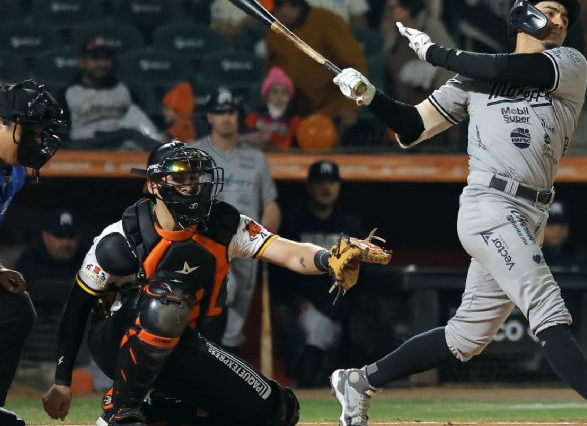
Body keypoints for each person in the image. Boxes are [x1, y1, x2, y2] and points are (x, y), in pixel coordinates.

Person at [330, 0, 587, 426]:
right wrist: (370, 96)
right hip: (489, 204)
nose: (561, 20)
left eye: (566, 16)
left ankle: (360, 381)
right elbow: (412, 128)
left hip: (532, 212)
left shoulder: (569, 63)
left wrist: (435, 54)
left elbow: (507, 67)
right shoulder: (473, 77)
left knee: (467, 337)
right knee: (547, 304)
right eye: (551, 10)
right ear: (524, 14)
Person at [41, 140, 379, 426]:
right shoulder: (119, 239)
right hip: (117, 340)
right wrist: (62, 382)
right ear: (153, 186)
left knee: (279, 410)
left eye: (195, 176)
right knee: (168, 299)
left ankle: (157, 411)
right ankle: (118, 411)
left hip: (182, 342)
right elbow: (76, 309)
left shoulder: (224, 224)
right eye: (178, 177)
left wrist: (328, 258)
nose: (190, 185)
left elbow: (288, 252)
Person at [0, 80, 69, 426]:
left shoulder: (13, 174)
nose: (39, 141)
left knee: (15, 309)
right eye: (31, 131)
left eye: (42, 133)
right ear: (2, 122)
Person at [192, 87, 282, 350]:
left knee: (236, 319)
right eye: (219, 112)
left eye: (230, 111)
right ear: (209, 117)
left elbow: (271, 203)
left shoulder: (255, 159)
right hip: (207, 242)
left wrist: (268, 234)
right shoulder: (194, 154)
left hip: (246, 243)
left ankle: (224, 373)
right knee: (220, 297)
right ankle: (205, 359)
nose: (226, 118)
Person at [269, 160, 365, 387]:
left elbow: (359, 278)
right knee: (315, 326)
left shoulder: (351, 227)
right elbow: (280, 272)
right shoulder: (292, 224)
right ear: (309, 186)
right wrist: (290, 301)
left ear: (339, 186)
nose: (326, 188)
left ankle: (307, 385)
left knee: (321, 326)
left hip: (336, 312)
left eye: (331, 182)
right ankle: (307, 378)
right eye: (320, 182)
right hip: (298, 310)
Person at [263, 0, 367, 132]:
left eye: (272, 12)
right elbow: (270, 69)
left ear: (286, 5)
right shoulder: (273, 29)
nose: (270, 18)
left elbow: (356, 66)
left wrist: (349, 107)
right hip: (289, 111)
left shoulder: (326, 21)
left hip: (330, 109)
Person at [58, 38, 160, 150]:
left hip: (119, 152)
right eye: (95, 58)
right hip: (83, 152)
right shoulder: (68, 93)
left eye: (106, 58)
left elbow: (139, 122)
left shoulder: (124, 90)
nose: (102, 64)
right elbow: (62, 134)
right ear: (82, 62)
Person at [383, 0, 457, 105]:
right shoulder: (391, 34)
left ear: (407, 8)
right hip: (403, 104)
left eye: (392, 8)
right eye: (387, 9)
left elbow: (450, 63)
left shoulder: (431, 29)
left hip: (437, 102)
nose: (388, 14)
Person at [16, 208, 85, 282]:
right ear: (45, 236)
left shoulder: (88, 259)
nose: (66, 243)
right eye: (59, 235)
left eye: (71, 235)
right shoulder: (29, 259)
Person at [243, 67, 301, 150]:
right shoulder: (254, 117)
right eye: (275, 92)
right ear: (267, 95)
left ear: (289, 96)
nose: (279, 97)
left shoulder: (295, 120)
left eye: (284, 93)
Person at [541, 200, 587, 272]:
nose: (557, 229)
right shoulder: (530, 255)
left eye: (562, 224)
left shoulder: (581, 256)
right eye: (551, 223)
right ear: (539, 226)